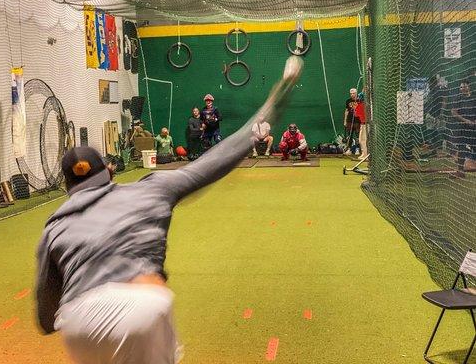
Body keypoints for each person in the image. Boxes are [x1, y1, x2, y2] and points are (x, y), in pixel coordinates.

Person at [34, 56, 304, 364]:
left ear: (69, 188)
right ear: (108, 173)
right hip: (142, 304)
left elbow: (45, 318)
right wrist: (267, 113)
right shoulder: (149, 189)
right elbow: (213, 162)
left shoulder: (54, 225)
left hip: (77, 321)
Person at [447, 76, 476, 172]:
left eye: (464, 87)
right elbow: (454, 112)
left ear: (469, 87)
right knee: (462, 148)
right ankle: (460, 171)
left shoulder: (473, 97)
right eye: (461, 87)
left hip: (473, 127)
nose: (462, 89)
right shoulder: (458, 98)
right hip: (462, 127)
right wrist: (465, 120)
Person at [343, 88, 361, 155]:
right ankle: (349, 149)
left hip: (357, 121)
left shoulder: (359, 100)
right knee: (349, 136)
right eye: (351, 94)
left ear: (356, 93)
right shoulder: (348, 101)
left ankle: (357, 149)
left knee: (357, 136)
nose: (352, 95)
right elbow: (346, 111)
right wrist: (345, 121)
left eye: (353, 93)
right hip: (349, 121)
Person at [355, 89, 368, 160]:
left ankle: (365, 154)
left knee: (362, 140)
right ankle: (364, 154)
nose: (358, 99)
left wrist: (356, 105)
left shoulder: (360, 105)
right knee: (362, 140)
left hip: (365, 124)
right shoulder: (364, 104)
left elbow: (356, 114)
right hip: (363, 124)